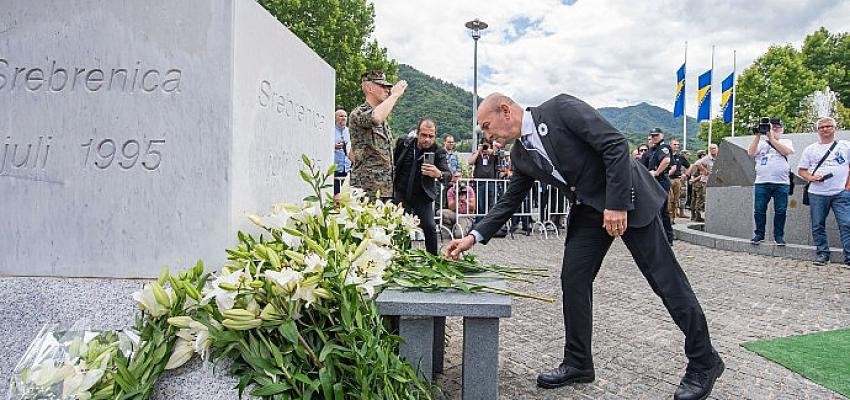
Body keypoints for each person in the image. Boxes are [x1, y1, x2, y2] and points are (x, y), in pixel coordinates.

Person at [445, 93, 723, 400]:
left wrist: (617, 205)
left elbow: (615, 145)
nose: (487, 135)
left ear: (505, 111)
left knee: (664, 279)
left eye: (486, 126)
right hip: (589, 210)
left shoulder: (560, 109)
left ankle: (704, 361)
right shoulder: (520, 155)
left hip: (627, 197)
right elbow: (510, 201)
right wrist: (472, 237)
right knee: (573, 279)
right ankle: (578, 362)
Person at [392, 118, 451, 255]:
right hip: (401, 192)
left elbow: (448, 174)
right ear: (417, 133)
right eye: (424, 135)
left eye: (431, 136)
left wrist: (439, 173)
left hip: (422, 196)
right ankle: (401, 258)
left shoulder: (438, 151)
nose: (427, 140)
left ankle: (434, 260)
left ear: (435, 136)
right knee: (401, 228)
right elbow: (392, 161)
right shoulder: (404, 143)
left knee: (430, 227)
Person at [797, 117, 850, 266]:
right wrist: (812, 178)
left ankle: (849, 257)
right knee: (818, 225)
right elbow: (801, 170)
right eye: (822, 127)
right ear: (817, 130)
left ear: (835, 128)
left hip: (841, 193)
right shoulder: (810, 149)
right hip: (817, 193)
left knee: (846, 224)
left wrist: (848, 187)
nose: (825, 129)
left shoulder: (845, 146)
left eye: (829, 126)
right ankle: (822, 253)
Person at [348, 70, 408, 200]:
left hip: (384, 189)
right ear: (369, 88)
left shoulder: (384, 120)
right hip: (366, 190)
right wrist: (395, 95)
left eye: (388, 87)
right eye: (382, 86)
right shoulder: (359, 113)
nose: (387, 90)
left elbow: (352, 153)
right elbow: (375, 118)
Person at [747, 118, 794, 245]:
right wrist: (757, 136)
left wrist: (772, 139)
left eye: (778, 127)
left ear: (782, 129)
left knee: (781, 210)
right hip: (762, 182)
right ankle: (759, 234)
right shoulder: (761, 143)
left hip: (782, 183)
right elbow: (751, 153)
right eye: (772, 127)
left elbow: (786, 151)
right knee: (759, 210)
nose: (775, 129)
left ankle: (778, 236)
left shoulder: (786, 141)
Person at [644, 128, 674, 244]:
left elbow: (666, 160)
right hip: (654, 182)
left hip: (661, 181)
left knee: (661, 210)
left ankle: (666, 238)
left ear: (662, 135)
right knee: (656, 210)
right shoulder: (653, 150)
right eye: (652, 135)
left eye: (656, 135)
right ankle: (662, 238)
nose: (654, 137)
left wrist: (656, 173)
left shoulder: (663, 148)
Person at [468, 137, 499, 222]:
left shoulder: (493, 155)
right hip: (479, 183)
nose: (485, 148)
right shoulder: (477, 154)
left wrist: (493, 151)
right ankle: (479, 222)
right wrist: (478, 151)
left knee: (491, 203)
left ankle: (489, 222)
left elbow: (502, 157)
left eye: (487, 145)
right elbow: (470, 162)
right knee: (480, 204)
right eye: (484, 145)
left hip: (491, 182)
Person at [690, 145, 718, 222]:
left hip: (714, 182)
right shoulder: (706, 159)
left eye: (714, 148)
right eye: (711, 149)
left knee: (699, 199)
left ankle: (698, 216)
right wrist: (705, 171)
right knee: (701, 199)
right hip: (704, 182)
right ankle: (697, 216)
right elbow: (696, 166)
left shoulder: (718, 158)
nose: (713, 150)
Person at [668, 139, 690, 220]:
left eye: (677, 144)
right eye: (674, 144)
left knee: (676, 200)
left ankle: (673, 218)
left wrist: (685, 174)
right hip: (668, 179)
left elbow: (689, 166)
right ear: (670, 145)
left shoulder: (680, 157)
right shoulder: (666, 156)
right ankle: (669, 218)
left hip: (677, 179)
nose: (676, 146)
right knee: (669, 199)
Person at [333, 109, 352, 196]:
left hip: (347, 168)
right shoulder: (329, 130)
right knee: (335, 195)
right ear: (335, 118)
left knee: (346, 195)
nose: (343, 118)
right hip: (335, 168)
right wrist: (334, 146)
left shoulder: (350, 131)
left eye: (345, 116)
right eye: (341, 116)